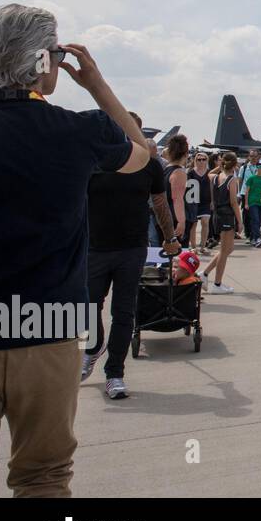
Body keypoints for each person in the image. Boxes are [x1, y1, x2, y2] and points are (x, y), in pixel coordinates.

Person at [0, 5, 149, 496]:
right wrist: (96, 86)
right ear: (43, 60)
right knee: (43, 476)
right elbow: (141, 153)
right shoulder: (78, 130)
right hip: (48, 323)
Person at [83, 112, 182, 400]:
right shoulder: (94, 162)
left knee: (124, 313)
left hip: (132, 248)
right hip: (95, 248)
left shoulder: (149, 167)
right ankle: (92, 349)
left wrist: (170, 237)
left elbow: (160, 204)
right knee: (86, 308)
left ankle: (114, 373)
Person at [201, 152, 242, 293]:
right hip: (226, 215)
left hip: (217, 215)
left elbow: (208, 173)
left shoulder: (214, 177)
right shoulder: (232, 180)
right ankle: (217, 284)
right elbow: (233, 202)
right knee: (225, 251)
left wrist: (220, 166)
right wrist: (240, 221)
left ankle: (205, 274)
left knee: (228, 249)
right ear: (235, 165)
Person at [161, 134, 191, 247]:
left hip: (163, 217)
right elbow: (177, 199)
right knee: (178, 257)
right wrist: (181, 221)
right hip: (174, 218)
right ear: (186, 153)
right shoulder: (179, 173)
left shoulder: (165, 170)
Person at [189, 150, 214, 254]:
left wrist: (213, 201)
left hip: (206, 201)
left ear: (206, 160)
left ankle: (203, 246)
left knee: (205, 222)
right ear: (195, 160)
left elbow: (212, 187)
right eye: (199, 159)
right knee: (193, 224)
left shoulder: (210, 172)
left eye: (203, 159)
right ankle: (193, 246)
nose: (201, 161)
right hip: (193, 201)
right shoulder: (190, 172)